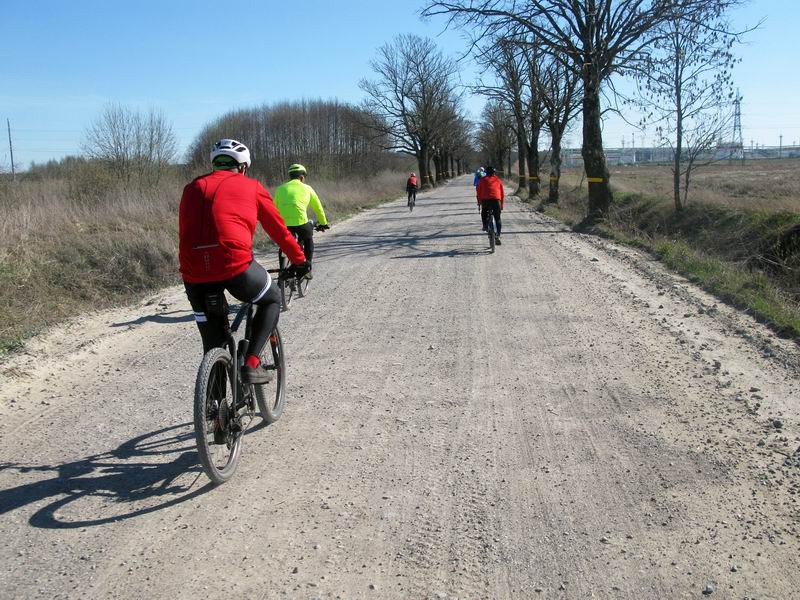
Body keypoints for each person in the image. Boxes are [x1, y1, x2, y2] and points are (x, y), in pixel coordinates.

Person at [179, 139, 309, 384]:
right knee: (271, 298)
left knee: (212, 344)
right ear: (243, 167)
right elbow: (279, 230)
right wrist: (300, 260)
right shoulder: (252, 186)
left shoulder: (191, 188)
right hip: (235, 266)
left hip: (194, 274)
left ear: (215, 163)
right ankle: (251, 363)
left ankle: (216, 417)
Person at [273, 163, 330, 279]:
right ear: (302, 177)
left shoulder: (280, 189)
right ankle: (307, 268)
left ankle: (282, 270)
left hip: (284, 225)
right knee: (308, 239)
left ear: (290, 176)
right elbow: (318, 208)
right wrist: (323, 223)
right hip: (301, 223)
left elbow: (274, 208)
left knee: (285, 244)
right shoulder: (307, 188)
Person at [476, 166, 504, 245]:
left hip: (485, 201)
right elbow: (502, 194)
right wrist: (501, 205)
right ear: (494, 172)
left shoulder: (482, 180)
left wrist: (479, 202)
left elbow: (478, 192)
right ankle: (498, 235)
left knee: (484, 212)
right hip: (496, 201)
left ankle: (485, 225)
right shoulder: (498, 180)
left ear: (486, 172)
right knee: (497, 218)